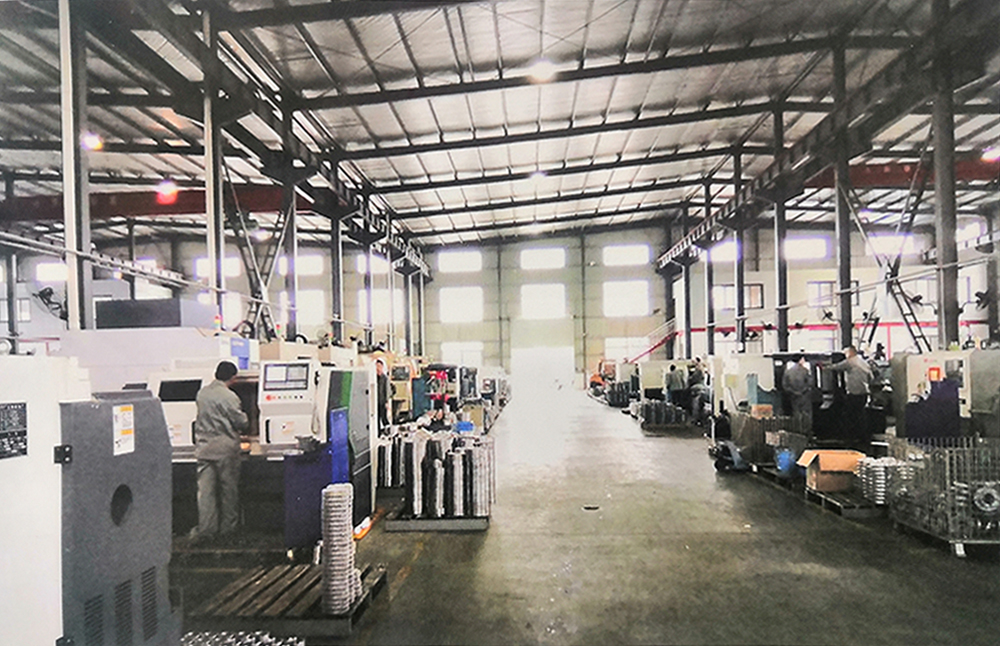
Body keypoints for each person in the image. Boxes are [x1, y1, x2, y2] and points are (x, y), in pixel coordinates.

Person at [191, 361, 248, 543]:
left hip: (204, 449)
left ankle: (207, 530)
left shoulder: (202, 393)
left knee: (205, 493)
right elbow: (241, 422)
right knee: (228, 491)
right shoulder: (230, 397)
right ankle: (228, 530)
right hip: (225, 450)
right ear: (233, 377)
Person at [825, 346, 873, 450]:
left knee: (850, 416)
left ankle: (851, 438)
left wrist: (825, 367)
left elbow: (836, 367)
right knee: (861, 415)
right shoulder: (863, 362)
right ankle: (863, 438)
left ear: (850, 353)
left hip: (854, 394)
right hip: (864, 394)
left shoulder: (850, 362)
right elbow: (871, 377)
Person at [782, 355, 813, 436]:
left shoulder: (788, 372)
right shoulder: (805, 371)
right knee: (806, 413)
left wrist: (793, 392)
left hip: (793, 397)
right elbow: (810, 384)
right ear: (800, 359)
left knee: (796, 413)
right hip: (804, 396)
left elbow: (785, 385)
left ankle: (798, 431)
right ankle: (807, 431)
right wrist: (802, 391)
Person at [376, 359, 394, 433]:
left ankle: (389, 430)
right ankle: (378, 432)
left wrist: (386, 401)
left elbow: (387, 390)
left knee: (384, 417)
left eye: (379, 366)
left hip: (382, 401)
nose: (378, 368)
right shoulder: (374, 378)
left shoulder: (384, 378)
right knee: (376, 418)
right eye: (377, 366)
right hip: (375, 402)